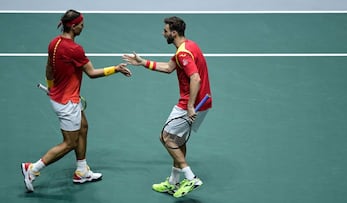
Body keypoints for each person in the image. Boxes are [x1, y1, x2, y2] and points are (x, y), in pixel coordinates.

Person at [21, 9, 132, 193]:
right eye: (81, 25)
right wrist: (116, 68)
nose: (83, 27)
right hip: (67, 102)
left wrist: (51, 86)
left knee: (83, 127)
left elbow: (49, 68)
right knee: (69, 142)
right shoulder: (74, 49)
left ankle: (81, 171)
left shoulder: (54, 43)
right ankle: (33, 169)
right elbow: (92, 73)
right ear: (73, 26)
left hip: (60, 95)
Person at [123, 16, 212, 198]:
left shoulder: (183, 53)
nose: (163, 34)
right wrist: (142, 62)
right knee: (177, 139)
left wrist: (189, 106)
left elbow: (195, 78)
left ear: (174, 32)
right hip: (202, 102)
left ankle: (191, 177)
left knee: (166, 138)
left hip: (192, 104)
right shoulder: (188, 46)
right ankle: (173, 182)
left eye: (165, 31)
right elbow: (168, 67)